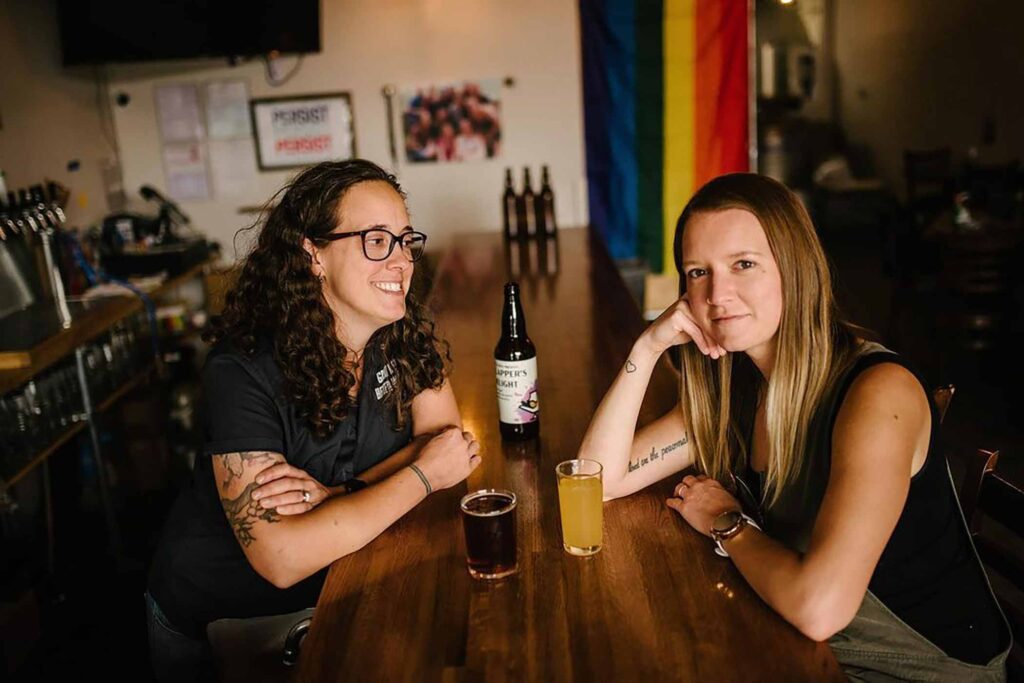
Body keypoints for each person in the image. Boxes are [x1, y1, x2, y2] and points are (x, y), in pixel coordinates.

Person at [578, 173, 1010, 681]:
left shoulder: (877, 393)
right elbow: (594, 480)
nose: (717, 294)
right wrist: (646, 348)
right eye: (698, 272)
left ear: (796, 268)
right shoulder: (738, 389)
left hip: (919, 669)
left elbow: (819, 608)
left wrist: (727, 521)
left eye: (744, 264)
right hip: (809, 647)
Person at [145, 159, 481, 681]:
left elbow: (447, 446)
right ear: (313, 255)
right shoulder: (243, 369)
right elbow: (282, 556)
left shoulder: (401, 329)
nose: (401, 260)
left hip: (338, 588)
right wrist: (419, 474)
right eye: (375, 240)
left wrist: (340, 494)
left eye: (405, 239)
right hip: (226, 614)